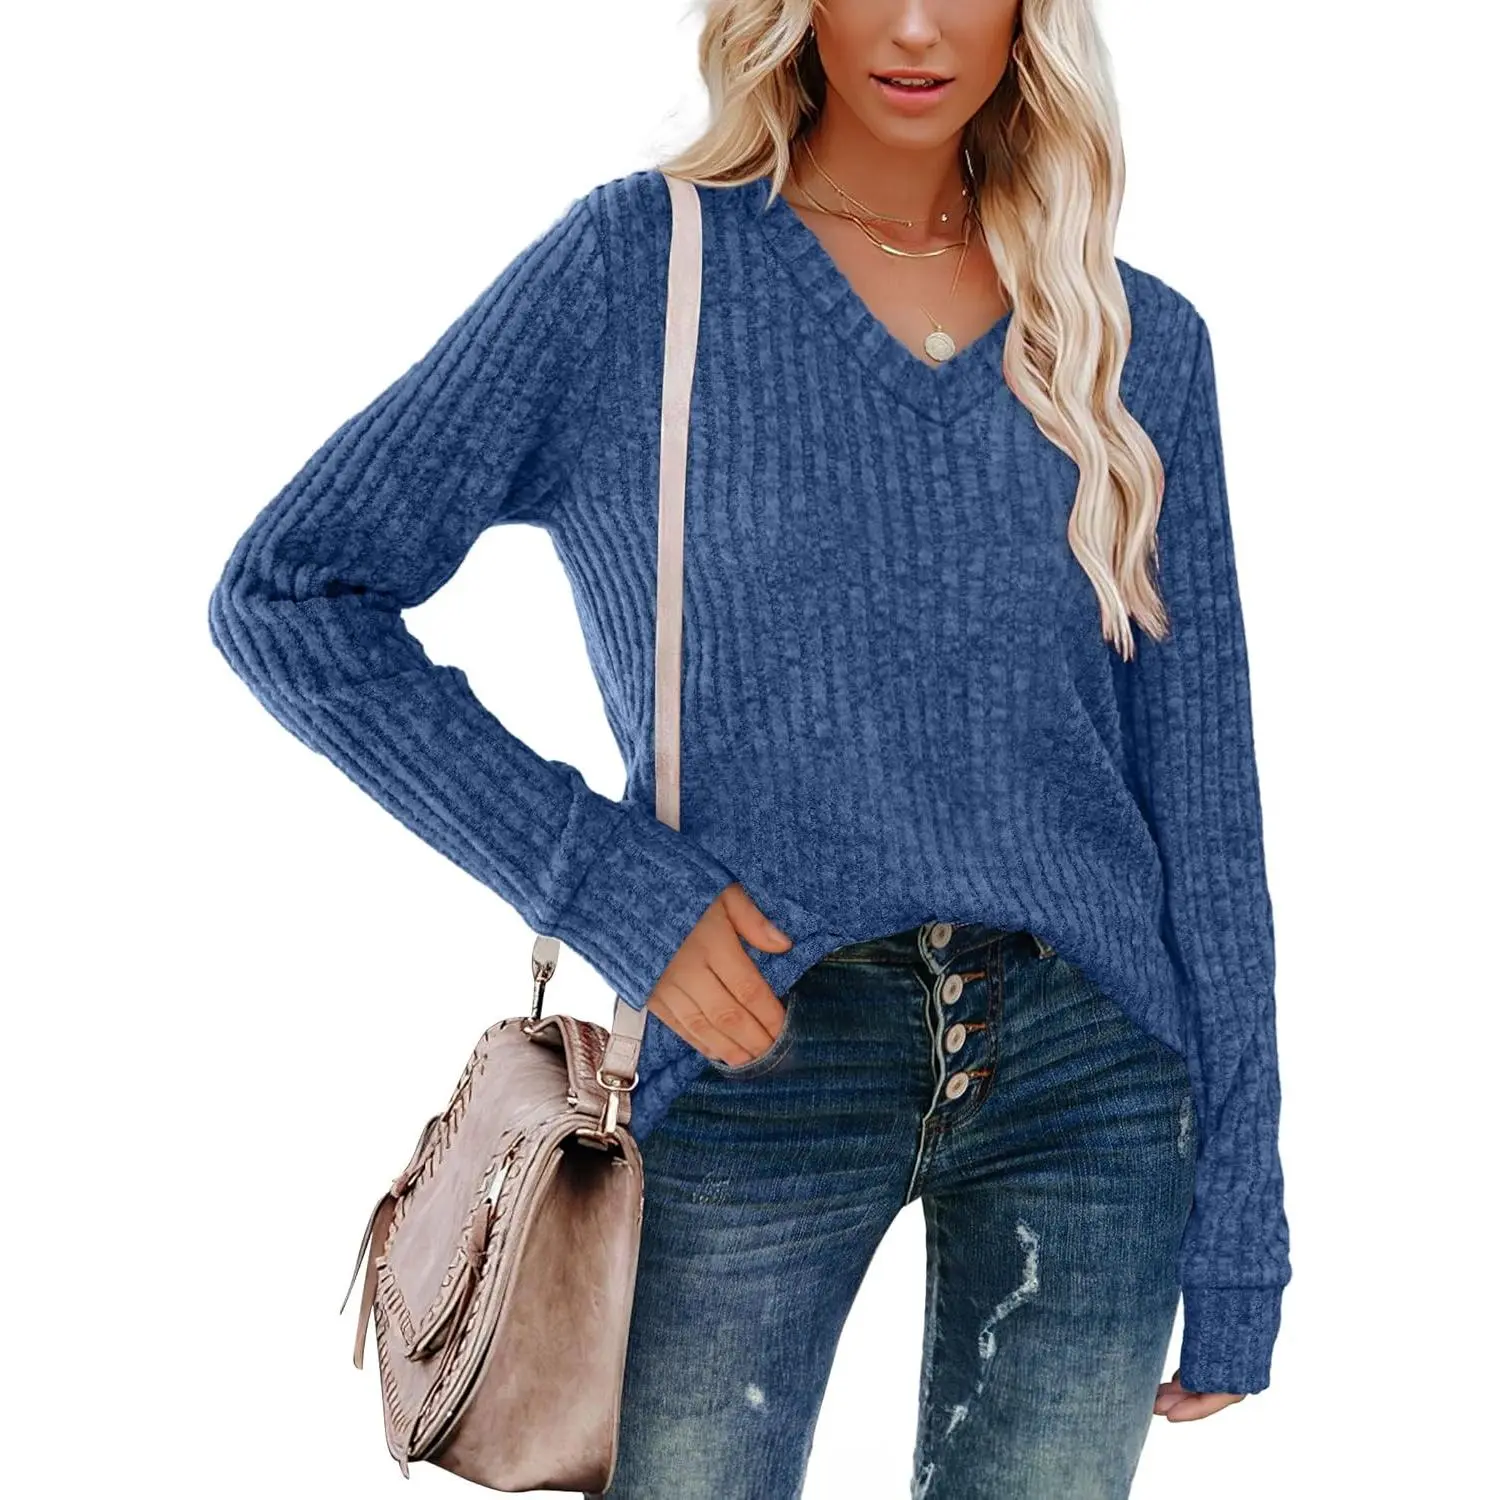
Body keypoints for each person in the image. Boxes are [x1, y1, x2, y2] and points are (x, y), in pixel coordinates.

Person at [208, 1, 1292, 1494]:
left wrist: (1243, 1224)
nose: (917, 26)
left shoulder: (1134, 340)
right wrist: (604, 882)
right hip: (754, 1042)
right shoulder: (638, 274)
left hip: (1091, 1072)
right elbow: (288, 592)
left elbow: (1207, 811)